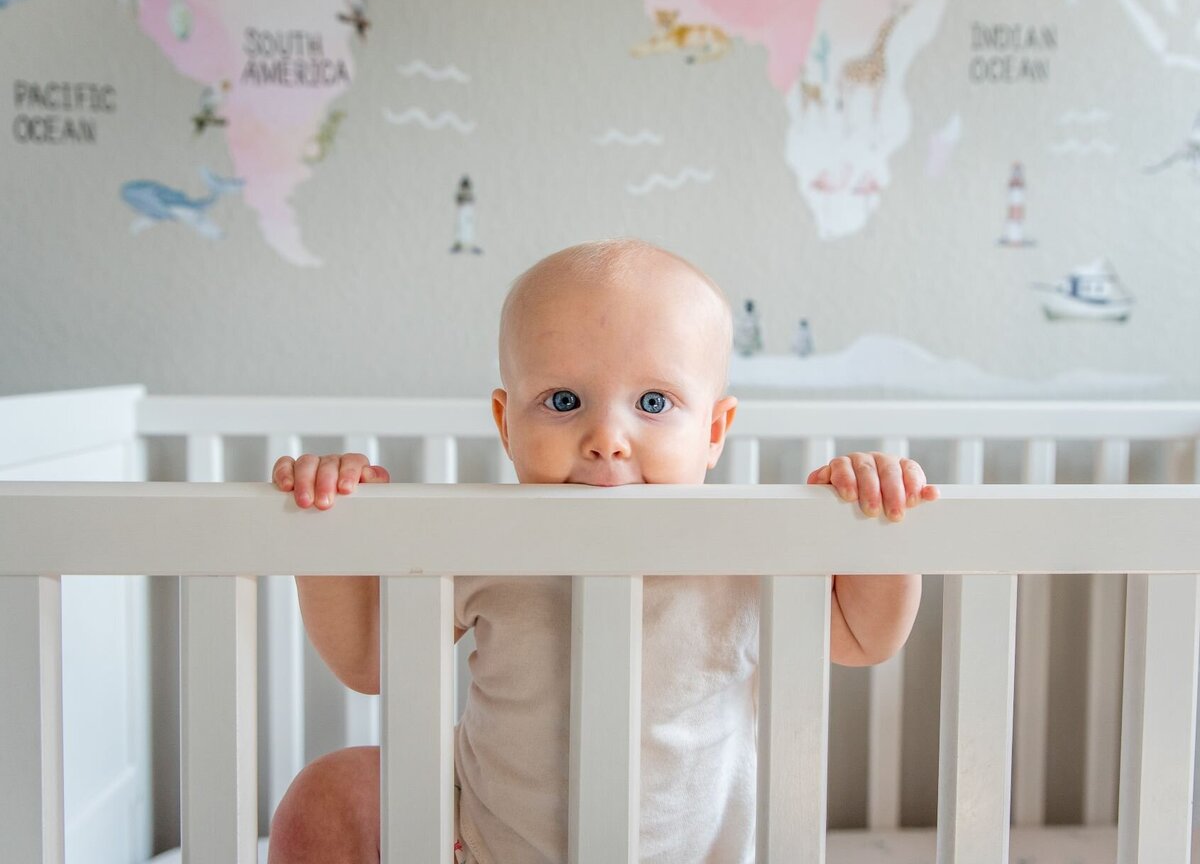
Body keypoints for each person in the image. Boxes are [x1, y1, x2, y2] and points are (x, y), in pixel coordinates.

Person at [266, 238, 939, 864]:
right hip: (487, 851)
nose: (606, 438)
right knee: (331, 793)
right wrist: (327, 529)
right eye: (563, 400)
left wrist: (875, 522)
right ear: (506, 423)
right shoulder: (483, 538)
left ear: (714, 430)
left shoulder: (744, 544)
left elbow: (865, 635)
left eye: (653, 401)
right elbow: (370, 661)